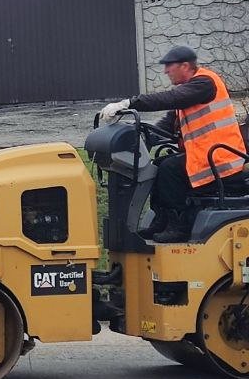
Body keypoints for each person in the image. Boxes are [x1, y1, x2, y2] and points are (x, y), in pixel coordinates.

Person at [101, 45, 248, 242]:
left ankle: (178, 226)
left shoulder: (204, 84)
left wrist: (129, 103)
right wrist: (143, 138)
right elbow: (167, 125)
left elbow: (169, 99)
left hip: (222, 160)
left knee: (170, 169)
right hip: (205, 156)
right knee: (159, 164)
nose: (165, 71)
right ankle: (162, 219)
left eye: (169, 66)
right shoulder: (190, 93)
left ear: (185, 66)